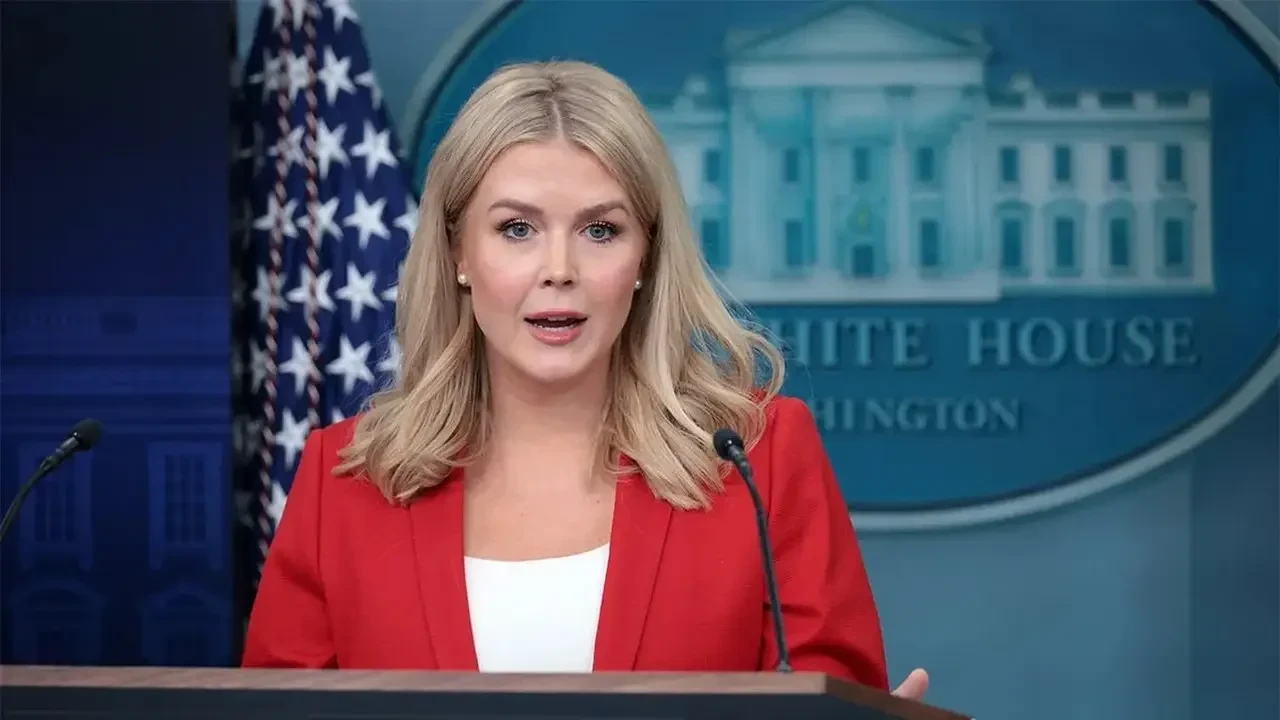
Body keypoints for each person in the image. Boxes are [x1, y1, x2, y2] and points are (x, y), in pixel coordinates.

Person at [241, 59, 929, 699]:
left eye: (600, 231)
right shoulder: (343, 481)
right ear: (457, 252)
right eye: (517, 229)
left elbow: (827, 696)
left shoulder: (760, 458)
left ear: (646, 256)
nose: (559, 270)